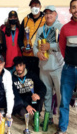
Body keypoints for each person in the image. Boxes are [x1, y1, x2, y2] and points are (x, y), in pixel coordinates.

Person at [33, 5, 64, 124]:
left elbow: (63, 45)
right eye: (46, 13)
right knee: (47, 93)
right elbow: (35, 46)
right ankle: (48, 118)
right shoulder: (41, 29)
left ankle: (62, 120)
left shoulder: (61, 27)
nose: (48, 15)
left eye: (51, 13)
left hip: (57, 67)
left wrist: (50, 46)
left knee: (60, 95)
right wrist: (37, 54)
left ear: (55, 14)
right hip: (43, 66)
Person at [56, 0, 77, 133]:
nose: (76, 9)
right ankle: (62, 129)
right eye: (74, 7)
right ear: (70, 10)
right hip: (68, 69)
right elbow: (62, 48)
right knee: (64, 101)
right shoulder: (65, 28)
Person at [18, 0, 46, 76]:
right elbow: (20, 37)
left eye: (36, 5)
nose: (34, 7)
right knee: (27, 79)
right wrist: (22, 47)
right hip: (27, 56)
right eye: (32, 6)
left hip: (40, 56)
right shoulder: (25, 19)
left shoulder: (45, 19)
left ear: (40, 6)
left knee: (39, 79)